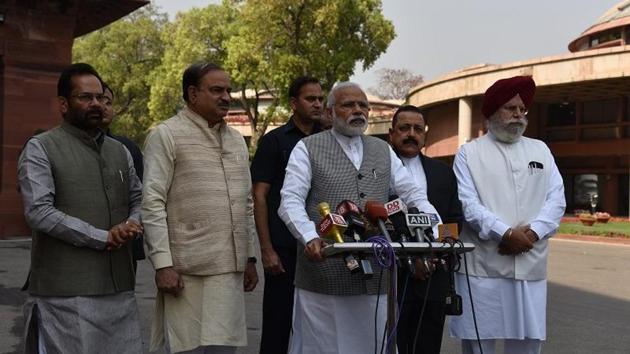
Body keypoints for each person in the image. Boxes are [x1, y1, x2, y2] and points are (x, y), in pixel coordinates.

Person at [279, 82, 441, 354]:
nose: (358, 110)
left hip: (377, 277)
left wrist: (433, 227)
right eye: (348, 105)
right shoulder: (307, 148)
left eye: (362, 105)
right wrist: (310, 237)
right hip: (324, 275)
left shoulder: (382, 149)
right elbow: (290, 201)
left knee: (374, 345)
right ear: (330, 113)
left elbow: (411, 192)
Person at [18, 63, 143, 353]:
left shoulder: (120, 151)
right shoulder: (41, 148)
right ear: (63, 104)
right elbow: (39, 211)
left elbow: (139, 199)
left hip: (120, 285)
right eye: (85, 97)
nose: (96, 104)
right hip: (66, 292)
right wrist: (102, 237)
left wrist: (132, 224)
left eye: (100, 97)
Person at [142, 62, 258, 354]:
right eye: (217, 90)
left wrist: (250, 258)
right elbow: (152, 202)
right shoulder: (166, 135)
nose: (226, 97)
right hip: (185, 272)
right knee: (186, 348)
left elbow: (246, 202)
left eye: (228, 90)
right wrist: (163, 265)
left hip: (228, 271)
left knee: (223, 349)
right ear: (193, 94)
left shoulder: (235, 140)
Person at [450, 76, 566, 354]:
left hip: (530, 260)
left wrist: (534, 232)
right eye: (510, 108)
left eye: (522, 109)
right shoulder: (469, 153)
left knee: (528, 343)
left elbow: (557, 199)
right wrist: (505, 232)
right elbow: (468, 204)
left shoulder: (540, 150)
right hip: (483, 265)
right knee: (480, 344)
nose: (518, 114)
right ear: (491, 112)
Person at [250, 76, 323, 354]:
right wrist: (266, 250)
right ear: (294, 103)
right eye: (310, 98)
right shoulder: (274, 141)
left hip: (322, 245)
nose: (317, 104)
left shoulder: (328, 140)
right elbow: (259, 196)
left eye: (320, 98)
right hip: (284, 247)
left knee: (317, 323)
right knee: (278, 323)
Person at [388, 105, 463, 354]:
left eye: (417, 129)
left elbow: (453, 218)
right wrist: (410, 258)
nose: (411, 134)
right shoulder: (377, 170)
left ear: (425, 135)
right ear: (391, 133)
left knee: (428, 344)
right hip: (393, 275)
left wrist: (434, 255)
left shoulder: (442, 172)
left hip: (434, 273)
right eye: (404, 128)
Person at [101, 83, 146, 265]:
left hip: (123, 248)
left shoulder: (126, 148)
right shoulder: (51, 147)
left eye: (108, 102)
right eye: (90, 98)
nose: (101, 106)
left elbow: (140, 196)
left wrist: (129, 227)